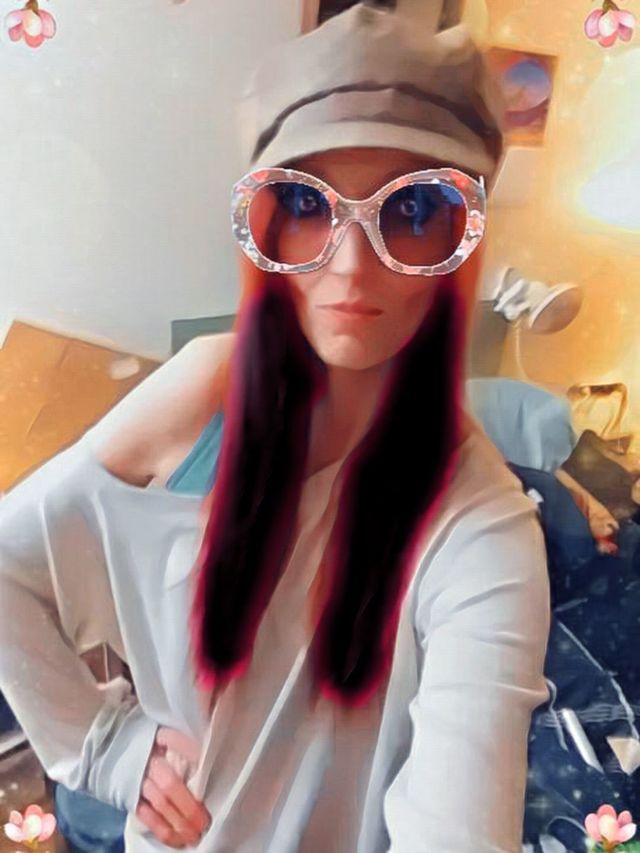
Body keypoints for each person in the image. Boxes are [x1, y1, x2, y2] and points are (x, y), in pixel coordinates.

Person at [0, 3, 551, 851]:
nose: (352, 264)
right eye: (305, 201)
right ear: (262, 221)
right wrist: (102, 745)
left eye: (409, 211)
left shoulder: (482, 530)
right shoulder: (206, 398)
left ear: (461, 237)